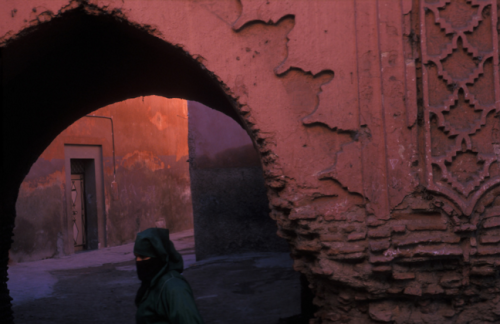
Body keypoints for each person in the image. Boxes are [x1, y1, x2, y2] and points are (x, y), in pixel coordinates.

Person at [134, 228, 204, 324]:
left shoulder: (175, 288)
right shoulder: (152, 282)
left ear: (158, 256)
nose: (138, 261)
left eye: (143, 257)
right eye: (136, 256)